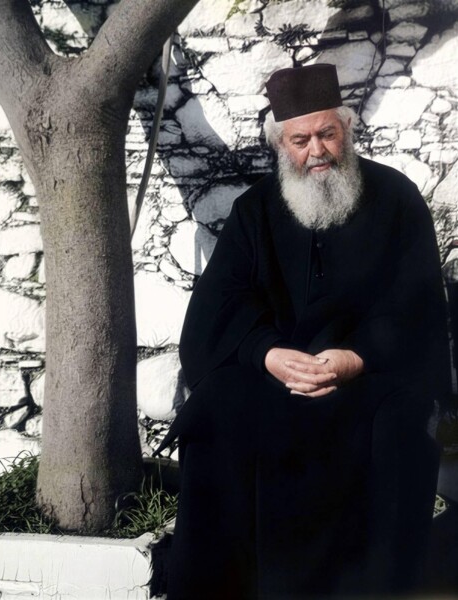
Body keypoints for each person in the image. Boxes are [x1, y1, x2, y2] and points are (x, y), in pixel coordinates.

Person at [160, 64, 451, 599]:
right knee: (216, 408)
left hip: (369, 376)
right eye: (301, 140)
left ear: (347, 129)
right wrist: (266, 353)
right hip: (276, 375)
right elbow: (218, 308)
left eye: (327, 134)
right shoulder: (255, 211)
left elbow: (418, 307)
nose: (317, 150)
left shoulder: (396, 199)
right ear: (281, 144)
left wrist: (354, 358)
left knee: (400, 424)